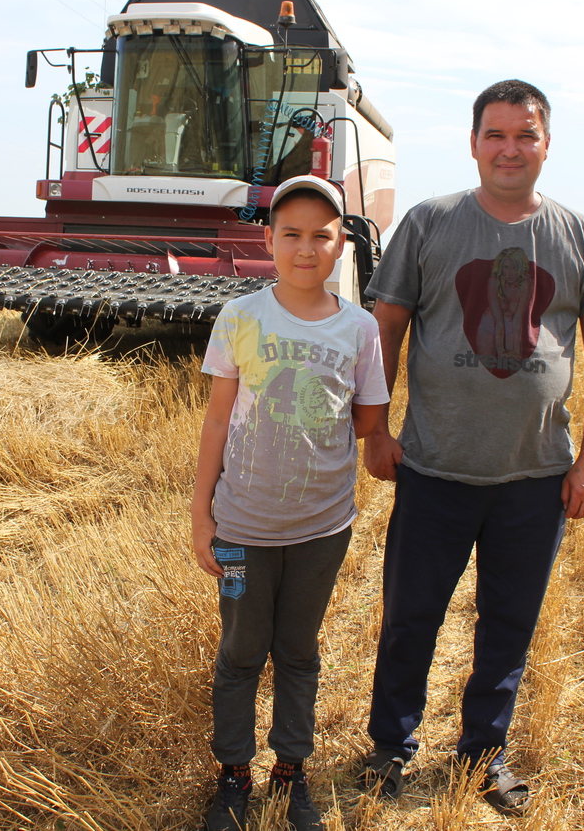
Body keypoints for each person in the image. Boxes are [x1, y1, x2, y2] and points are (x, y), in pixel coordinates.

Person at [357, 80, 584, 815]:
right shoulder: (429, 223)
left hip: (535, 479)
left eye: (525, 134)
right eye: (497, 134)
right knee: (410, 617)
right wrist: (374, 430)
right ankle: (390, 746)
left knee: (508, 625)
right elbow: (385, 330)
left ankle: (483, 755)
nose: (511, 148)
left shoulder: (582, 236)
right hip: (434, 468)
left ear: (546, 144)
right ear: (473, 143)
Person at [192, 174, 391, 831]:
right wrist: (201, 514)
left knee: (299, 650)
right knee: (241, 650)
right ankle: (233, 773)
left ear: (341, 245)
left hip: (321, 530)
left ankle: (290, 770)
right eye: (291, 234)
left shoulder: (360, 329)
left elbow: (367, 419)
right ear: (269, 241)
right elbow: (217, 421)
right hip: (240, 529)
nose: (306, 248)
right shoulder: (241, 318)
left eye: (321, 236)